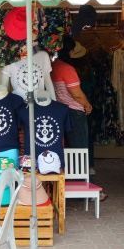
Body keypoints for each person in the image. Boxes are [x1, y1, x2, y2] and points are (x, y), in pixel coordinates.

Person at [51, 36, 105, 198]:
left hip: (59, 111)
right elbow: (77, 95)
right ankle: (87, 188)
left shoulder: (52, 66)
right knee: (80, 149)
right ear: (69, 51)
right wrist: (88, 105)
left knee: (66, 149)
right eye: (73, 49)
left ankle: (70, 185)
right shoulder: (67, 69)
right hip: (74, 112)